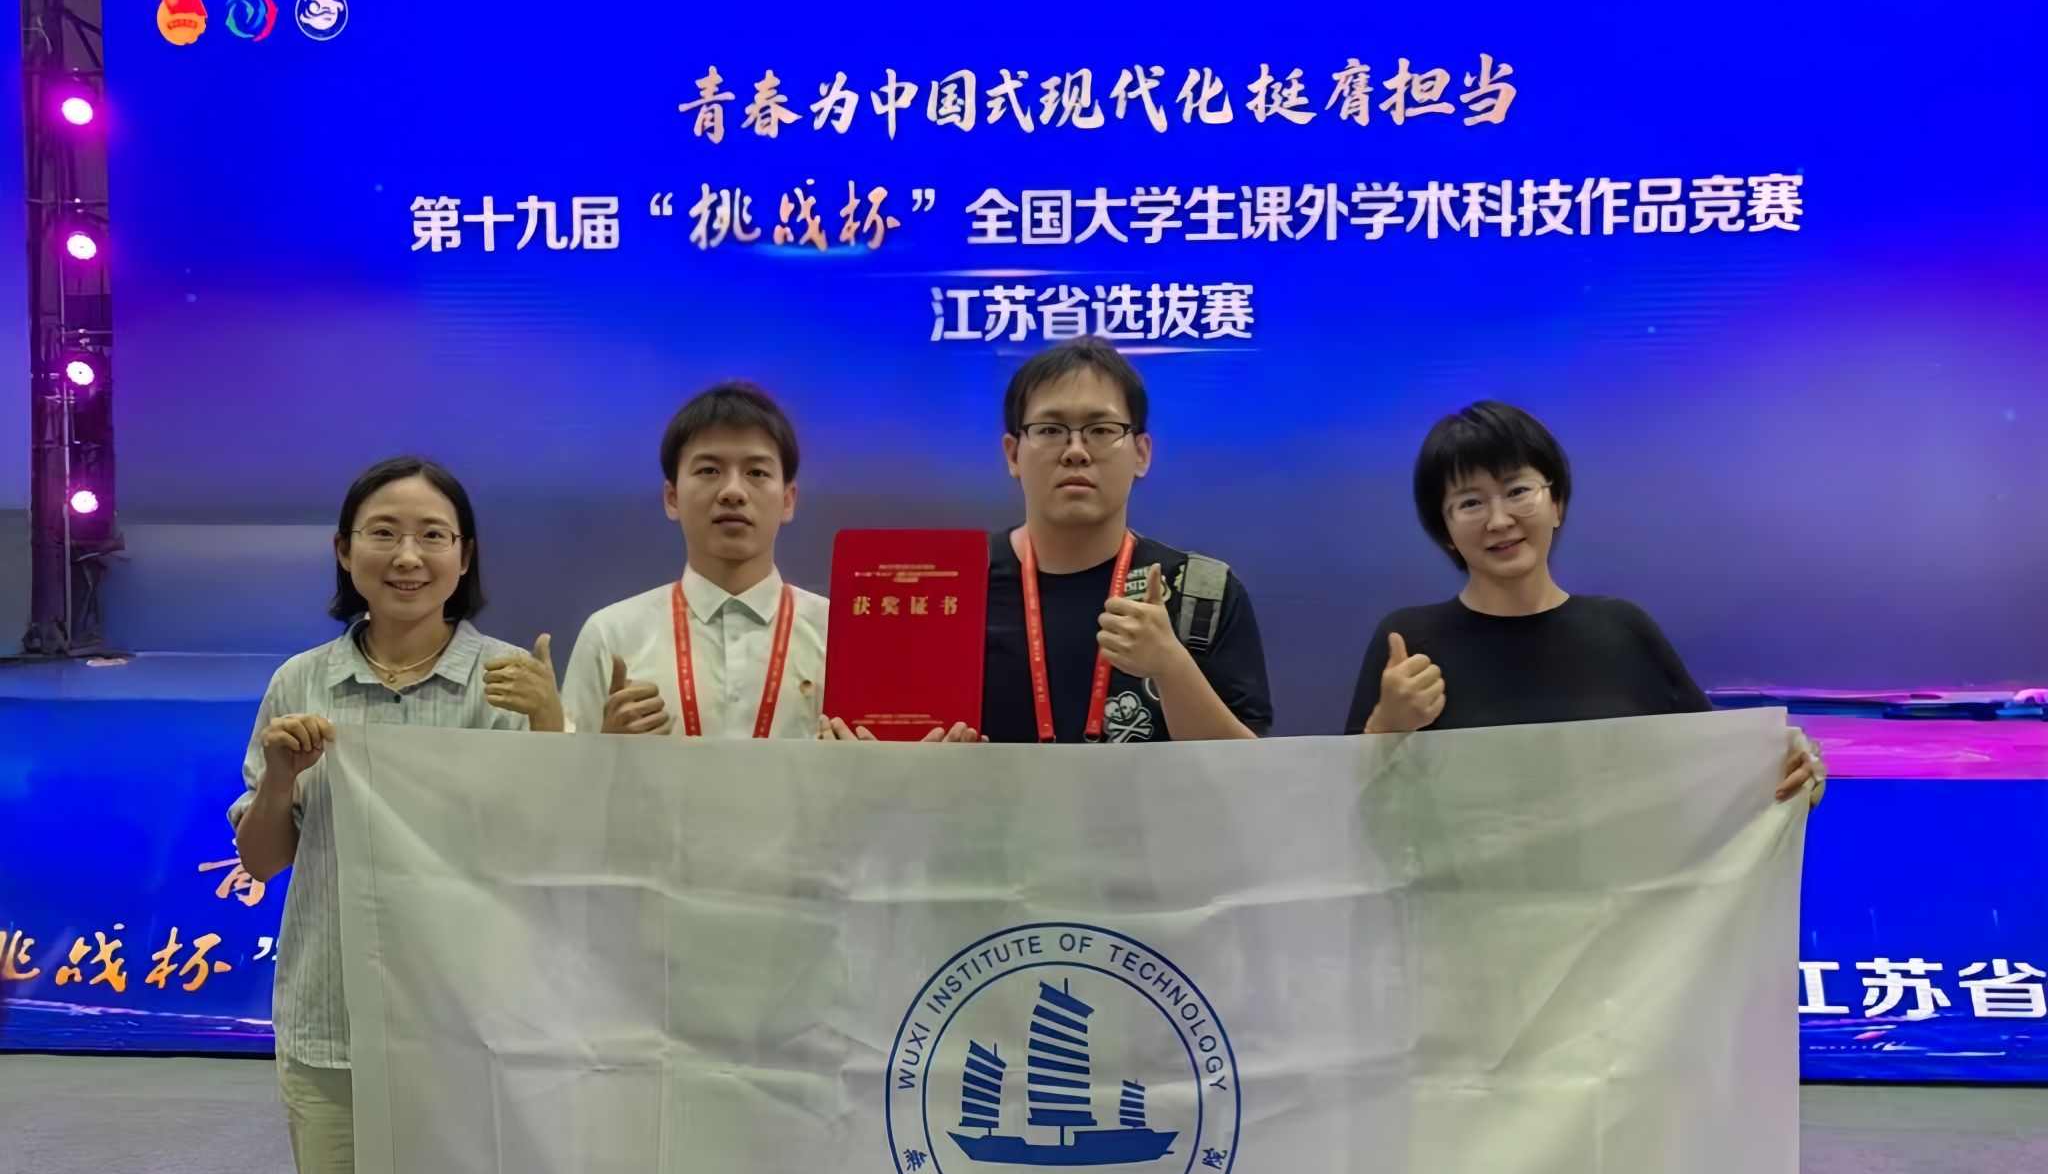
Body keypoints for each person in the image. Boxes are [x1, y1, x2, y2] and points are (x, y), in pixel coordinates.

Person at [229, 457, 561, 1174]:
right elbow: (261, 858)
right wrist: (281, 777)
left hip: (472, 1032)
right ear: (345, 552)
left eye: (432, 534)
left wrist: (553, 727)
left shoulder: (507, 681)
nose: (407, 555)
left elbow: (558, 849)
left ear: (464, 557)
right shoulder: (301, 682)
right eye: (383, 531)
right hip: (333, 1030)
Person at [1344, 400, 1821, 801]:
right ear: (1444, 530)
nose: (1499, 520)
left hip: (1616, 888)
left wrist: (1789, 771)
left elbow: (1716, 774)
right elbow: (1348, 813)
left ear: (1557, 504)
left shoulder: (1623, 631)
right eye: (1470, 503)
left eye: (1517, 491)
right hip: (1454, 890)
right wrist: (1386, 726)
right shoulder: (1409, 645)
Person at [826, 338, 1269, 743]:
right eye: (1051, 430)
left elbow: (1250, 775)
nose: (1075, 451)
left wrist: (1171, 666)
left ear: (1141, 454)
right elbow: (892, 749)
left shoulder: (1200, 594)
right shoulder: (948, 588)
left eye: (1101, 430)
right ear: (1013, 454)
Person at [562, 382, 827, 740]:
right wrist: (606, 746)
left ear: (788, 500)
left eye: (756, 472)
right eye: (709, 470)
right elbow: (570, 771)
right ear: (672, 497)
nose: (732, 491)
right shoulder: (612, 635)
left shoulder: (838, 638)